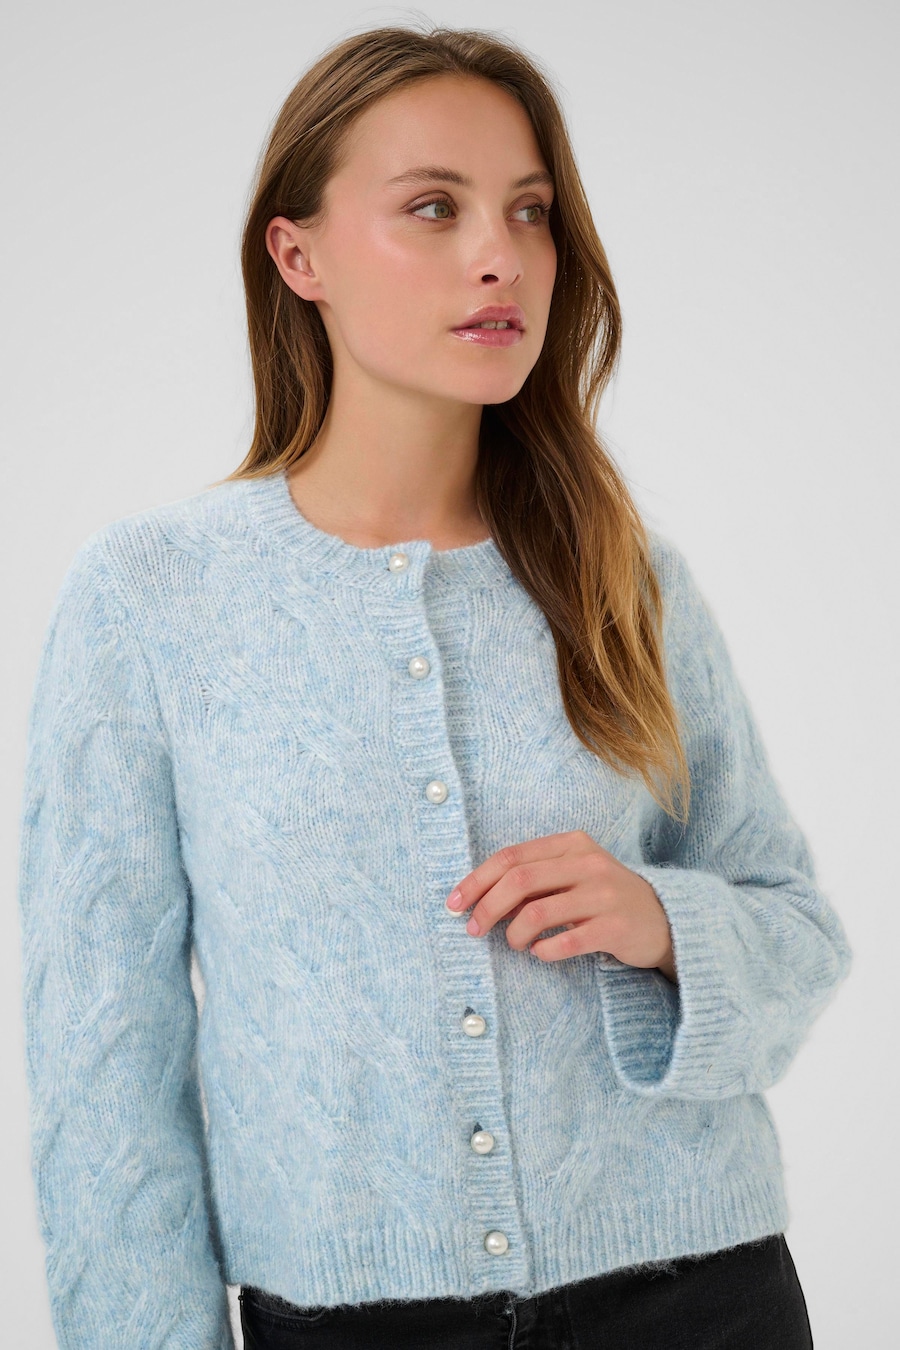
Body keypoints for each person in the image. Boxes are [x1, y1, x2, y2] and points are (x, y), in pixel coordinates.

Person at [17, 21, 853, 1350]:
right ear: (298, 256)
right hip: (350, 1322)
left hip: (700, 1297)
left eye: (530, 211)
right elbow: (103, 1068)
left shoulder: (624, 577)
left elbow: (799, 931)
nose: (498, 255)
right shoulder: (152, 597)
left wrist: (661, 920)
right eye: (432, 207)